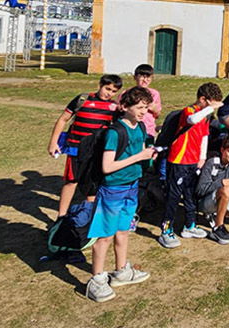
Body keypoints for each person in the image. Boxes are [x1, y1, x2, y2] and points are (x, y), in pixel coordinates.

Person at [84, 87, 157, 303]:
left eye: (146, 107)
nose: (144, 112)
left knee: (123, 231)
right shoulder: (115, 132)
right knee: (104, 236)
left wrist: (148, 155)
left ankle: (121, 271)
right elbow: (107, 167)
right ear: (124, 107)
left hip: (132, 186)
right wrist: (138, 157)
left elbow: (141, 151)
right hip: (113, 189)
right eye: (140, 107)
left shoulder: (141, 127)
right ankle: (96, 279)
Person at [48, 74, 123, 219]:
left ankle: (89, 217)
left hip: (95, 153)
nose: (109, 93)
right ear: (99, 85)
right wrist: (53, 142)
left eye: (113, 91)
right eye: (107, 89)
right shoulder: (82, 100)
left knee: (92, 186)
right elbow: (63, 119)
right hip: (75, 149)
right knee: (71, 181)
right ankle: (61, 216)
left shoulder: (114, 108)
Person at [157, 83, 221, 249]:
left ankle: (189, 226)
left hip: (193, 162)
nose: (212, 109)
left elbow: (204, 136)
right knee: (173, 196)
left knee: (190, 195)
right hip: (178, 160)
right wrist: (209, 108)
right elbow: (192, 120)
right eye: (211, 103)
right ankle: (166, 230)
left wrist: (202, 157)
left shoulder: (206, 116)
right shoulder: (189, 111)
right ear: (202, 99)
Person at [118, 64, 162, 143]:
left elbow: (157, 115)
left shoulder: (155, 94)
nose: (145, 80)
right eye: (142, 76)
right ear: (135, 77)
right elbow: (119, 110)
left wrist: (155, 110)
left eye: (148, 77)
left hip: (148, 131)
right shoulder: (126, 93)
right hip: (130, 130)